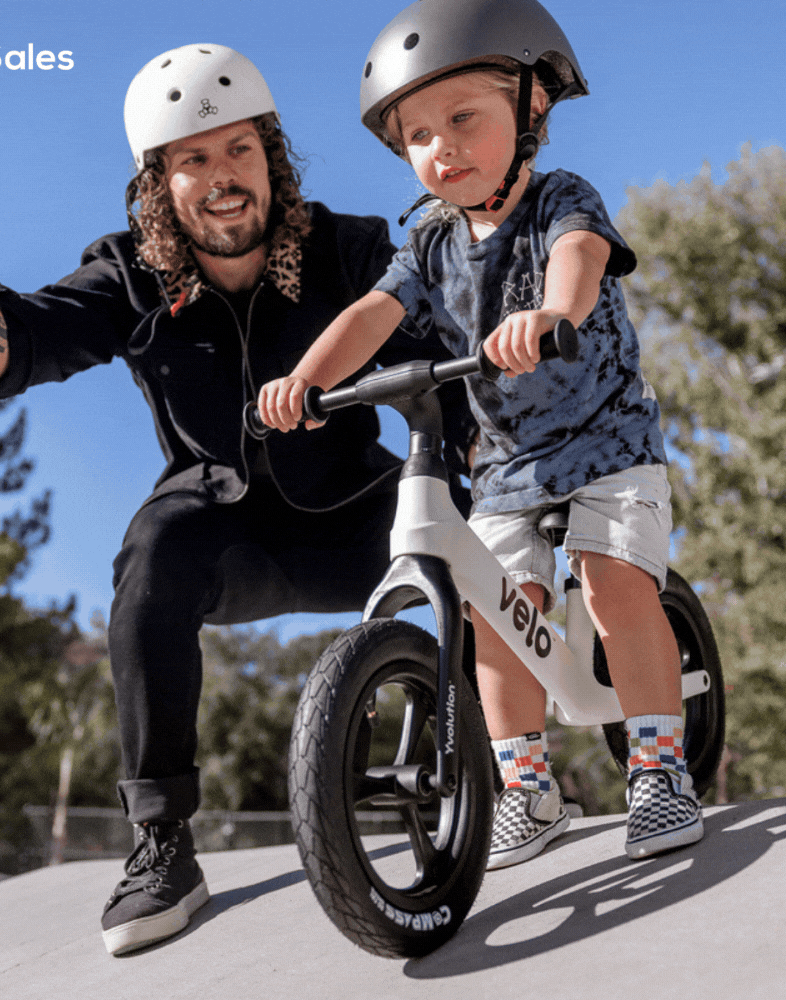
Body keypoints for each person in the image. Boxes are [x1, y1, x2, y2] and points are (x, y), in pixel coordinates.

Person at [0, 44, 475, 953]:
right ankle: (163, 846)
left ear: (272, 159)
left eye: (239, 152)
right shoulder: (136, 275)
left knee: (475, 517)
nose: (222, 179)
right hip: (222, 535)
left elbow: (454, 327)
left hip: (357, 518)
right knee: (154, 551)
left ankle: (506, 773)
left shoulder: (352, 249)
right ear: (159, 183)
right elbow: (15, 340)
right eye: (194, 160)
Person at [259, 0, 704, 870]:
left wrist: (550, 314)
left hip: (608, 442)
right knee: (496, 617)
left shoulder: (560, 201)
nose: (443, 147)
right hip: (507, 465)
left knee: (611, 581)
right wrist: (306, 379)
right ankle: (527, 787)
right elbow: (373, 312)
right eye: (418, 135)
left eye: (463, 118)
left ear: (532, 109)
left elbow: (581, 259)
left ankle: (658, 768)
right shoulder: (428, 240)